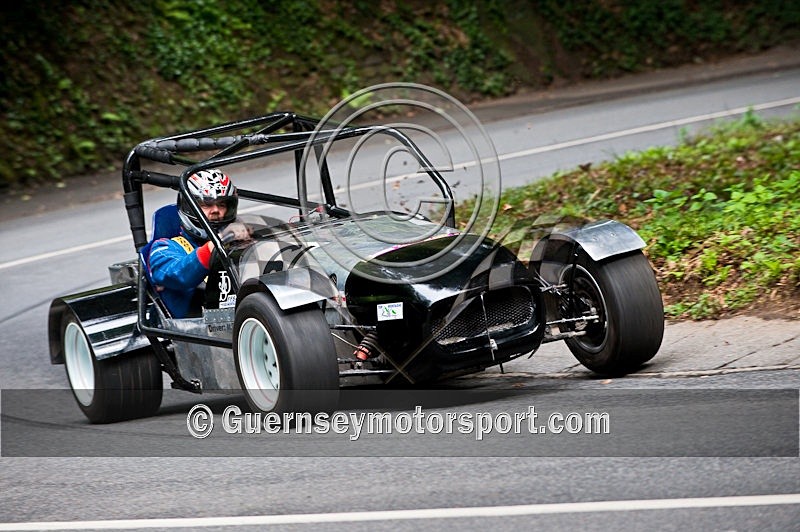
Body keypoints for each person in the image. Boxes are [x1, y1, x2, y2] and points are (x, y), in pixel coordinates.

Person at [147, 169, 249, 318]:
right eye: (206, 204)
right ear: (189, 207)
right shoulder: (164, 248)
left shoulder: (238, 241)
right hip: (197, 329)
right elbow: (176, 274)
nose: (215, 211)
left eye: (221, 205)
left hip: (246, 314)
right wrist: (212, 248)